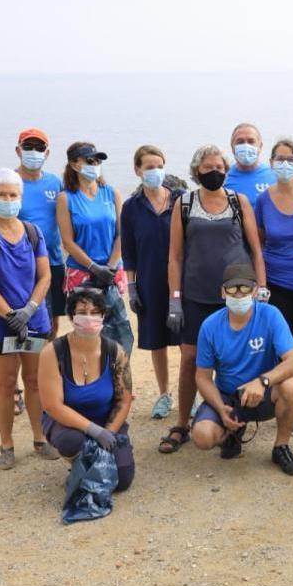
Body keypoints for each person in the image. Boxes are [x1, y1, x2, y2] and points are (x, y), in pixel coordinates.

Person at [159, 145, 267, 454]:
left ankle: (235, 421)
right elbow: (175, 257)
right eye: (206, 169)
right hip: (196, 295)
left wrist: (262, 289)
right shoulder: (185, 203)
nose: (213, 173)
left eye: (219, 167)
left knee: (238, 358)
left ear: (226, 169)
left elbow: (256, 250)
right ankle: (181, 423)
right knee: (191, 360)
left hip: (238, 293)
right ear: (196, 172)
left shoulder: (238, 201)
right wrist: (175, 300)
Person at [0, 168, 60, 469]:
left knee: (34, 381)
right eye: (1, 195)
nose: (7, 199)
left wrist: (29, 310)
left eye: (13, 195)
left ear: (20, 198)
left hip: (34, 322)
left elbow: (45, 275)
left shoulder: (33, 233)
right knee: (6, 383)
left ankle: (40, 439)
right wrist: (10, 315)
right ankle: (6, 444)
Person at [189, 264, 293, 475]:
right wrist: (220, 408)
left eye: (245, 288)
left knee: (291, 387)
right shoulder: (210, 326)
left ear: (254, 290)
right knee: (202, 437)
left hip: (265, 394)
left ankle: (281, 446)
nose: (239, 294)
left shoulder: (271, 315)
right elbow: (203, 377)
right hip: (228, 396)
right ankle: (230, 433)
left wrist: (262, 381)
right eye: (232, 289)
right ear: (223, 292)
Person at [0, 128, 66, 417]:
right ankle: (14, 389)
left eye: (39, 147)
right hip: (12, 270)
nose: (33, 152)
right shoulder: (8, 183)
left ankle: (40, 383)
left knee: (49, 326)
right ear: (18, 150)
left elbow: (67, 215)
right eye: (27, 146)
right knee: (11, 329)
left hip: (51, 263)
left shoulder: (55, 182)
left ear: (47, 152)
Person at [38, 287, 135, 492]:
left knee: (123, 477)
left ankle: (92, 463)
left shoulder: (115, 352)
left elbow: (123, 400)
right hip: (66, 422)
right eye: (81, 313)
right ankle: (78, 462)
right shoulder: (52, 352)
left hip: (105, 419)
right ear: (71, 317)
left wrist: (108, 433)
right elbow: (52, 405)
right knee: (72, 441)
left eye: (94, 313)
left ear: (103, 316)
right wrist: (93, 431)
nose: (88, 318)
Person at [253, 138, 293, 430]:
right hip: (276, 285)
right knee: (282, 349)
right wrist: (261, 285)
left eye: (290, 159)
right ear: (271, 162)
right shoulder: (263, 200)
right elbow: (260, 244)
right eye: (279, 158)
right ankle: (291, 405)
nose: (284, 164)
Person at [121, 145, 182, 420]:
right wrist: (132, 287)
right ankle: (164, 394)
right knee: (157, 341)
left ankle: (190, 395)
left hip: (181, 281)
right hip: (148, 282)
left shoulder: (181, 200)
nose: (155, 171)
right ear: (137, 170)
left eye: (159, 165)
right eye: (149, 167)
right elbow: (128, 252)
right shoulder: (131, 208)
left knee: (187, 341)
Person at [56, 141, 134, 356]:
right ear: (74, 164)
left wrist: (108, 267)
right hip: (81, 273)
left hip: (111, 272)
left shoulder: (111, 193)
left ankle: (119, 382)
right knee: (88, 331)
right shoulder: (66, 199)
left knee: (120, 332)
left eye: (98, 160)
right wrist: (93, 267)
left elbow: (121, 233)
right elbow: (68, 242)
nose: (95, 164)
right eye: (90, 160)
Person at [223, 123, 276, 201]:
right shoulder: (224, 179)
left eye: (251, 141)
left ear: (260, 146)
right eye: (240, 142)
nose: (246, 145)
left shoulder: (274, 176)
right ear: (232, 146)